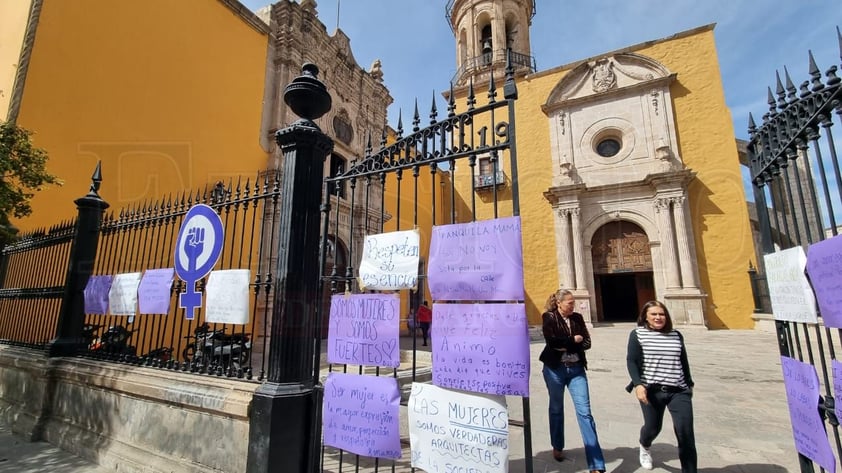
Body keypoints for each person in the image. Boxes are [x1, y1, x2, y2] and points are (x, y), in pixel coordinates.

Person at [539, 289, 606, 473]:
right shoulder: (549, 317)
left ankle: (596, 463)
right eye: (569, 302)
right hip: (555, 370)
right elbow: (552, 342)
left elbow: (587, 343)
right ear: (559, 303)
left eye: (573, 302)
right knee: (556, 409)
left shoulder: (577, 318)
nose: (572, 305)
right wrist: (573, 340)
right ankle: (557, 446)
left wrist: (567, 342)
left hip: (577, 370)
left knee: (585, 413)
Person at [626, 300, 697, 472]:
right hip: (651, 391)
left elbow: (683, 361)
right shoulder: (638, 334)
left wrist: (689, 384)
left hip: (679, 390)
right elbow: (632, 361)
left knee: (685, 433)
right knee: (652, 428)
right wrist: (638, 385)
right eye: (654, 314)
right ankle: (645, 445)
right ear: (645, 317)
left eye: (662, 314)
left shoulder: (676, 335)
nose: (659, 317)